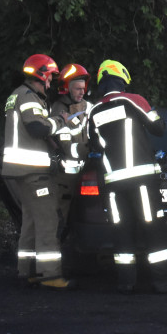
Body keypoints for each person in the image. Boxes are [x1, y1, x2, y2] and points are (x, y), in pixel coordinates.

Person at [87, 60, 167, 294]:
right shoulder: (133, 100)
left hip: (113, 184)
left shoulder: (94, 110)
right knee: (153, 228)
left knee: (122, 231)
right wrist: (153, 112)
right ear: (123, 77)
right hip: (141, 180)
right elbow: (158, 127)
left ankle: (126, 283)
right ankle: (162, 281)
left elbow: (94, 146)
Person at [1, 54, 71, 289]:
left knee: (30, 222)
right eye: (50, 77)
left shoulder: (17, 95)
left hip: (22, 171)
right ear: (41, 74)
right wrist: (59, 121)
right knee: (47, 221)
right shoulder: (28, 97)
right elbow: (37, 127)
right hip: (33, 172)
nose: (51, 83)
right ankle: (50, 275)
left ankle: (27, 271)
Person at [50, 63, 93, 245]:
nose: (81, 92)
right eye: (77, 88)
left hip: (89, 173)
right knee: (62, 221)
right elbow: (66, 147)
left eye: (83, 88)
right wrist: (90, 149)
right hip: (66, 179)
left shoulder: (91, 108)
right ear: (66, 88)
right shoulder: (58, 111)